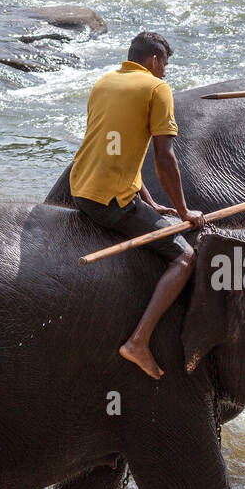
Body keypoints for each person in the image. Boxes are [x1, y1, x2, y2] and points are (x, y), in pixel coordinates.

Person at [69, 31, 205, 380]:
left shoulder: (104, 82)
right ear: (154, 61)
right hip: (110, 202)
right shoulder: (157, 89)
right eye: (165, 66)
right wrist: (185, 213)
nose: (165, 73)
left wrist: (152, 204)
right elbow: (164, 157)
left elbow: (115, 150)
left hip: (81, 188)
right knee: (186, 257)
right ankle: (138, 342)